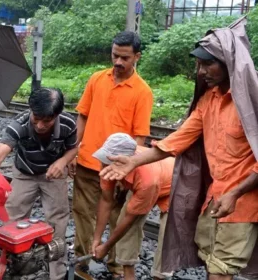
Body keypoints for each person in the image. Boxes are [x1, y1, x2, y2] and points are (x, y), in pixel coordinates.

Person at [99, 23, 258, 280]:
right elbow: (176, 140)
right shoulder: (209, 100)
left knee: (221, 269)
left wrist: (236, 193)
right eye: (199, 65)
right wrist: (133, 161)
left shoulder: (252, 100)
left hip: (242, 203)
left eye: (208, 65)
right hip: (214, 198)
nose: (201, 71)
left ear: (228, 61)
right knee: (210, 263)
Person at [70, 31, 153, 277]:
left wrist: (129, 167)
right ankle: (82, 261)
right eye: (115, 55)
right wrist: (75, 150)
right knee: (83, 214)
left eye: (125, 58)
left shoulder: (142, 92)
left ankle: (115, 265)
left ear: (137, 57)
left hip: (117, 169)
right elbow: (83, 115)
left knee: (118, 217)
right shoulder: (97, 79)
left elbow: (140, 137)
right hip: (87, 162)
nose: (118, 62)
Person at [0, 87, 78, 280]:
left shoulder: (69, 124)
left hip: (53, 174)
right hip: (24, 173)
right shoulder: (19, 124)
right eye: (36, 118)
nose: (40, 125)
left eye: (47, 120)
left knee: (57, 221)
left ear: (57, 114)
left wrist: (62, 162)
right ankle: (12, 265)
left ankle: (56, 274)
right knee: (13, 218)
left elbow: (72, 148)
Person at [90, 133, 173, 280]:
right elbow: (106, 201)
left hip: (174, 186)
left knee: (169, 235)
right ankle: (129, 276)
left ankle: (160, 276)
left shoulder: (147, 180)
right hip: (148, 181)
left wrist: (106, 247)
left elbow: (129, 220)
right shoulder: (109, 164)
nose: (103, 165)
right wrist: (97, 239)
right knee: (126, 230)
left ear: (123, 161)